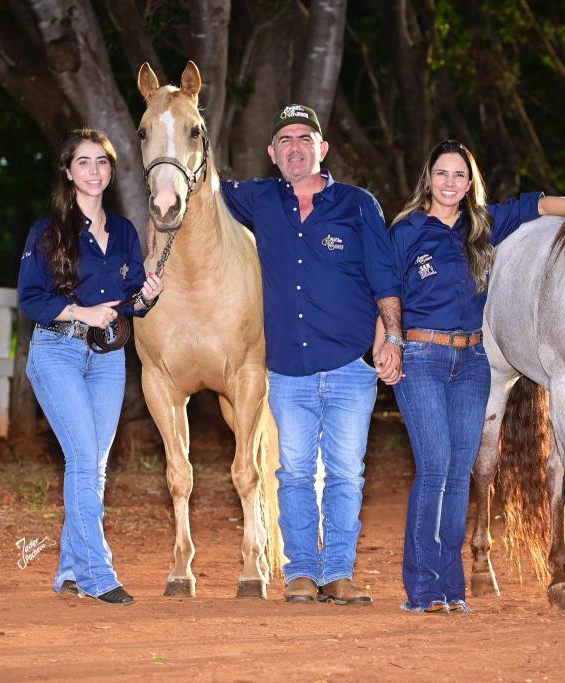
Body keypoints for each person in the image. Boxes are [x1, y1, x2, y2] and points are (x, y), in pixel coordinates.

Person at [386, 139, 565, 613]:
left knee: (458, 475)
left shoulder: (484, 226)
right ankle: (424, 588)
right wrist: (388, 342)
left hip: (472, 362)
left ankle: (451, 588)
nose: (450, 183)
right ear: (427, 178)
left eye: (459, 175)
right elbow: (387, 292)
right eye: (442, 174)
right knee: (434, 469)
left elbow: (544, 204)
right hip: (422, 357)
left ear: (471, 182)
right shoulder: (406, 230)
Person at [220, 104, 402, 605]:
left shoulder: (358, 204)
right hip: (289, 371)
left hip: (348, 368)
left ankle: (338, 572)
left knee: (346, 474)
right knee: (294, 473)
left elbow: (385, 278)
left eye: (305, 138)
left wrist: (393, 338)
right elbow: (194, 186)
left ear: (322, 149)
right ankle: (301, 572)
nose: (296, 147)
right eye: (285, 140)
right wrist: (155, 224)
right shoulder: (257, 199)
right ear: (272, 154)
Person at [18, 128, 164, 605]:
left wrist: (147, 295)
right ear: (67, 171)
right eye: (84, 162)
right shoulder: (47, 231)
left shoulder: (122, 230)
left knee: (93, 466)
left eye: (102, 162)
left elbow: (133, 301)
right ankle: (99, 574)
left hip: (107, 357)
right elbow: (31, 298)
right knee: (84, 459)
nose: (94, 171)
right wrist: (81, 312)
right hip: (57, 350)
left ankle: (69, 571)